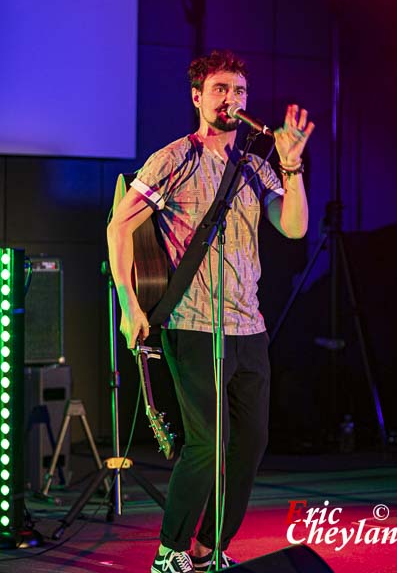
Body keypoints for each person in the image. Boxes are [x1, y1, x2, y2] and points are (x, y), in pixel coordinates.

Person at [107, 49, 315, 573]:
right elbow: (119, 227)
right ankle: (170, 551)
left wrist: (291, 166)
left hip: (250, 326)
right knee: (207, 442)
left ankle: (206, 549)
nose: (233, 100)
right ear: (197, 97)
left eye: (240, 91)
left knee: (251, 444)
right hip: (193, 324)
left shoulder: (255, 166)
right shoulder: (174, 158)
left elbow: (293, 226)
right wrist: (131, 305)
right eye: (221, 89)